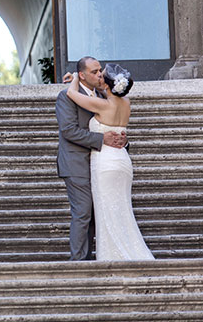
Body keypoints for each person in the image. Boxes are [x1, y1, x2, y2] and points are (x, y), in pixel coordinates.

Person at [65, 61, 154, 261]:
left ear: (106, 84)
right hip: (122, 160)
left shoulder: (102, 104)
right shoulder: (126, 103)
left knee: (107, 211)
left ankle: (114, 255)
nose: (97, 76)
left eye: (100, 74)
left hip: (105, 162)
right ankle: (132, 252)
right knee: (122, 209)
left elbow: (71, 94)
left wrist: (74, 79)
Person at [55, 56, 127, 260]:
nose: (99, 74)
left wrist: (120, 139)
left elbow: (112, 124)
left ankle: (88, 259)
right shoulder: (66, 97)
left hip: (101, 164)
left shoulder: (105, 97)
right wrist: (101, 138)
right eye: (94, 72)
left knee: (96, 215)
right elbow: (68, 131)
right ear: (82, 75)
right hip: (76, 162)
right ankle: (78, 261)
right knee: (83, 211)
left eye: (100, 70)